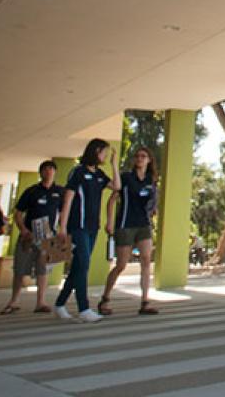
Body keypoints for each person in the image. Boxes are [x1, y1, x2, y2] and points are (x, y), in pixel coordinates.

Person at [55, 138, 120, 323]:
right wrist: (63, 227)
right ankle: (83, 308)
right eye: (103, 152)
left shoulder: (99, 174)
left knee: (79, 267)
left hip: (93, 227)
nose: (105, 156)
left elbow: (116, 187)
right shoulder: (78, 172)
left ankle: (59, 304)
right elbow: (68, 199)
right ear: (95, 151)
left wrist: (114, 164)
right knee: (83, 264)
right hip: (77, 227)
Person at [98, 145, 160, 316]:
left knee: (146, 260)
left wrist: (153, 212)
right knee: (121, 265)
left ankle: (145, 301)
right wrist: (110, 222)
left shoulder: (151, 181)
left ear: (149, 160)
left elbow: (152, 203)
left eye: (143, 156)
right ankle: (105, 298)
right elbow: (112, 200)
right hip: (125, 225)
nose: (140, 159)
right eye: (137, 156)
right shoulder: (126, 178)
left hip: (144, 225)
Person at [1, 160, 65, 314]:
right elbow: (17, 214)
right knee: (20, 268)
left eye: (51, 168)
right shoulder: (31, 191)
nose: (49, 171)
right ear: (41, 172)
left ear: (55, 172)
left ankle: (40, 302)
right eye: (45, 169)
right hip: (29, 234)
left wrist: (62, 231)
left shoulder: (60, 192)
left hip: (49, 236)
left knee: (44, 270)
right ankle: (14, 300)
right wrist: (23, 230)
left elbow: (64, 213)